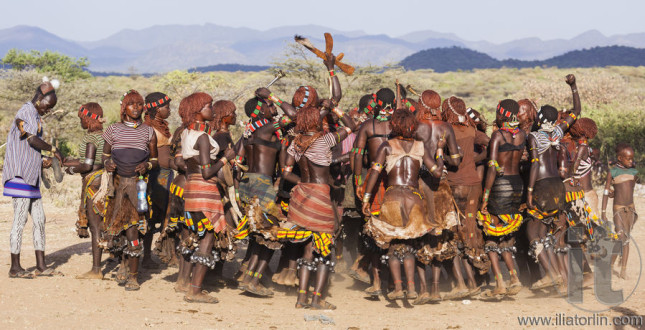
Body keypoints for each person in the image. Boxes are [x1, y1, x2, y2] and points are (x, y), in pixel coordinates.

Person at [362, 108, 444, 302]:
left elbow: (374, 173)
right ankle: (412, 287)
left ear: (394, 125)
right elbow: (437, 172)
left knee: (393, 244)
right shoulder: (420, 147)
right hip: (414, 197)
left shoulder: (386, 146)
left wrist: (366, 198)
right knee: (408, 244)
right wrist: (440, 149)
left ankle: (398, 288)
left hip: (393, 197)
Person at [282, 104, 355, 310]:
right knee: (325, 250)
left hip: (301, 196)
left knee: (307, 248)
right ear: (316, 121)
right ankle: (317, 300)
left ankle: (301, 298)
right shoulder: (325, 140)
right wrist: (336, 109)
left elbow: (286, 172)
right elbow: (351, 126)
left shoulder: (294, 144)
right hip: (320, 197)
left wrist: (304, 185)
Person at [178, 92, 235, 303]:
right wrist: (225, 159)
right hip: (205, 190)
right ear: (198, 111)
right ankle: (195, 290)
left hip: (192, 189)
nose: (212, 110)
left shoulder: (186, 134)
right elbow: (207, 172)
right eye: (208, 106)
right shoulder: (202, 138)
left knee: (198, 236)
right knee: (207, 239)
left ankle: (189, 284)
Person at [4, 78, 62, 278]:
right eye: (49, 105)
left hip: (32, 175)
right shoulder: (26, 112)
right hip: (20, 175)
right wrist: (53, 150)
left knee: (40, 220)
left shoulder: (35, 115)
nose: (49, 109)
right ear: (40, 98)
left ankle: (41, 265)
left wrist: (43, 159)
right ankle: (15, 267)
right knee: (19, 220)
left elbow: (30, 148)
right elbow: (32, 139)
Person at [526, 74, 580, 290]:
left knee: (532, 233)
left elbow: (533, 164)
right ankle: (558, 276)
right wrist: (573, 87)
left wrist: (529, 191)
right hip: (558, 187)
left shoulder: (533, 137)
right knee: (548, 233)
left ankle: (551, 274)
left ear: (540, 119)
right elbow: (576, 112)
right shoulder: (557, 132)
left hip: (541, 186)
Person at [101, 90, 158, 291]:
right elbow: (105, 156)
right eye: (132, 104)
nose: (136, 108)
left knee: (135, 226)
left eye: (140, 104)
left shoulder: (149, 132)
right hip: (116, 184)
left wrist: (147, 167)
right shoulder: (112, 130)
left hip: (139, 185)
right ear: (124, 107)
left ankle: (133, 276)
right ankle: (123, 264)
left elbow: (154, 160)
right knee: (118, 227)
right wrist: (107, 164)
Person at [442, 96, 491, 298]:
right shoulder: (472, 130)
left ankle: (461, 284)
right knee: (470, 228)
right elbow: (489, 143)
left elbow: (448, 159)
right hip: (474, 185)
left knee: (452, 234)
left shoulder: (446, 129)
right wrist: (475, 158)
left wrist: (443, 158)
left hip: (455, 184)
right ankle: (476, 279)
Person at [478, 99, 526, 298]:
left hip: (500, 186)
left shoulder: (498, 135)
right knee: (506, 237)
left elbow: (492, 167)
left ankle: (499, 281)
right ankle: (514, 277)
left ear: (503, 114)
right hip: (518, 185)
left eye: (498, 112)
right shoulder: (522, 135)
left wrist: (485, 198)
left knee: (490, 236)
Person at [63, 103, 106, 279]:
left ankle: (96, 269)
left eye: (81, 118)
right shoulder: (104, 136)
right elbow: (92, 160)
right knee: (103, 224)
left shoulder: (91, 139)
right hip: (104, 180)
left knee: (95, 226)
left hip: (93, 184)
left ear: (88, 119)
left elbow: (87, 165)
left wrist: (71, 170)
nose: (80, 122)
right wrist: (67, 161)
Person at [142, 92, 173, 268]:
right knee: (153, 215)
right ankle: (147, 256)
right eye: (166, 107)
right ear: (156, 108)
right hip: (155, 176)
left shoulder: (161, 126)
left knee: (166, 215)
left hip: (167, 174)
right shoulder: (147, 127)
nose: (169, 110)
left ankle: (165, 252)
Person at [602, 143, 638, 279]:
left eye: (632, 159)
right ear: (619, 158)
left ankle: (623, 270)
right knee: (619, 238)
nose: (631, 161)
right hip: (618, 209)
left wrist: (615, 192)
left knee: (626, 240)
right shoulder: (612, 172)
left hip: (631, 209)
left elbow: (629, 189)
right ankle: (610, 267)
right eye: (628, 159)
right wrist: (603, 212)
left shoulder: (634, 173)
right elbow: (606, 192)